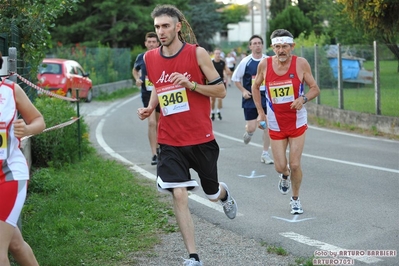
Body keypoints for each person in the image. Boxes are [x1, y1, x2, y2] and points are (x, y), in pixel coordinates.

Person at [137, 5, 237, 266]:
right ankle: (194, 257)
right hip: (169, 140)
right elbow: (159, 86)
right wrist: (150, 107)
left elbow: (220, 92)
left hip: (201, 139)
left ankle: (224, 195)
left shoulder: (197, 53)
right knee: (179, 194)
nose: (161, 31)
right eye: (157, 27)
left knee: (211, 193)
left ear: (178, 26)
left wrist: (191, 85)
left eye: (166, 26)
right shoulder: (149, 58)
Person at [251, 29, 320, 214]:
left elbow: (315, 88)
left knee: (295, 163)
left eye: (285, 47)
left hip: (296, 122)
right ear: (272, 47)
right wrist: (260, 112)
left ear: (292, 46)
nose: (281, 51)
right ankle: (284, 175)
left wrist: (303, 99)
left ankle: (295, 199)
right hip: (275, 123)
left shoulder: (301, 64)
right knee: (280, 166)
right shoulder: (264, 65)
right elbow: (255, 87)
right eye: (277, 47)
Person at [0, 52, 45, 266]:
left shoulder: (10, 90)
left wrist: (26, 128)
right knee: (15, 244)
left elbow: (38, 121)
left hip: (9, 175)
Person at [231, 35, 274, 164]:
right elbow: (235, 79)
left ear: (262, 45)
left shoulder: (268, 60)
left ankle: (265, 154)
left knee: (266, 126)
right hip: (250, 97)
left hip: (265, 97)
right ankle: (248, 133)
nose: (257, 45)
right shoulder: (246, 62)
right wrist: (244, 91)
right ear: (250, 46)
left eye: (259, 43)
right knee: (252, 127)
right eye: (254, 43)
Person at [132, 32, 161, 165]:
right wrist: (138, 79)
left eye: (153, 42)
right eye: (148, 42)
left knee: (160, 123)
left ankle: (160, 146)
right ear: (145, 43)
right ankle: (154, 154)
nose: (151, 44)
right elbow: (135, 70)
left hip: (161, 93)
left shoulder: (163, 55)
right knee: (151, 123)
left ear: (158, 43)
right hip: (147, 93)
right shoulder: (141, 57)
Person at [210, 48, 231, 121]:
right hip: (212, 83)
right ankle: (212, 112)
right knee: (213, 100)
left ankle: (218, 112)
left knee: (220, 99)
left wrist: (227, 72)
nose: (218, 55)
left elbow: (228, 71)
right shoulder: (211, 62)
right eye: (216, 54)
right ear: (214, 54)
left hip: (221, 83)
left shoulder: (223, 62)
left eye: (219, 54)